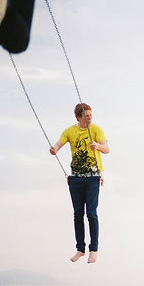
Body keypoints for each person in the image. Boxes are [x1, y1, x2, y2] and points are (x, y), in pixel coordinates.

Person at [49, 103, 109, 263]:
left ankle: (93, 250)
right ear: (78, 117)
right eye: (86, 116)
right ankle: (80, 249)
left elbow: (107, 149)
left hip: (92, 178)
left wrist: (97, 146)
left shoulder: (96, 129)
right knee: (77, 214)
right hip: (75, 178)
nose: (89, 118)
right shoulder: (70, 131)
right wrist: (54, 149)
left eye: (90, 115)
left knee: (91, 213)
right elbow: (58, 145)